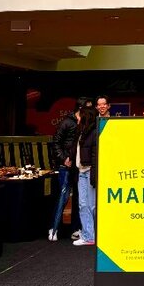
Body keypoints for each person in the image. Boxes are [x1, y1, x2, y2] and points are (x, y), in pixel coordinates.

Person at [48, 104, 82, 241]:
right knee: (64, 196)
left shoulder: (85, 124)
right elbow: (56, 142)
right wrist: (63, 159)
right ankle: (53, 229)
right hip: (66, 166)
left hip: (79, 166)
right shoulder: (67, 122)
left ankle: (76, 229)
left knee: (79, 199)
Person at [74, 106, 98, 246]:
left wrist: (94, 175)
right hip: (82, 171)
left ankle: (91, 235)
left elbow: (95, 156)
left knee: (91, 205)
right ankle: (88, 235)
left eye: (78, 116)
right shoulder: (81, 132)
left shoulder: (93, 132)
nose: (77, 118)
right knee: (83, 204)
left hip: (89, 171)